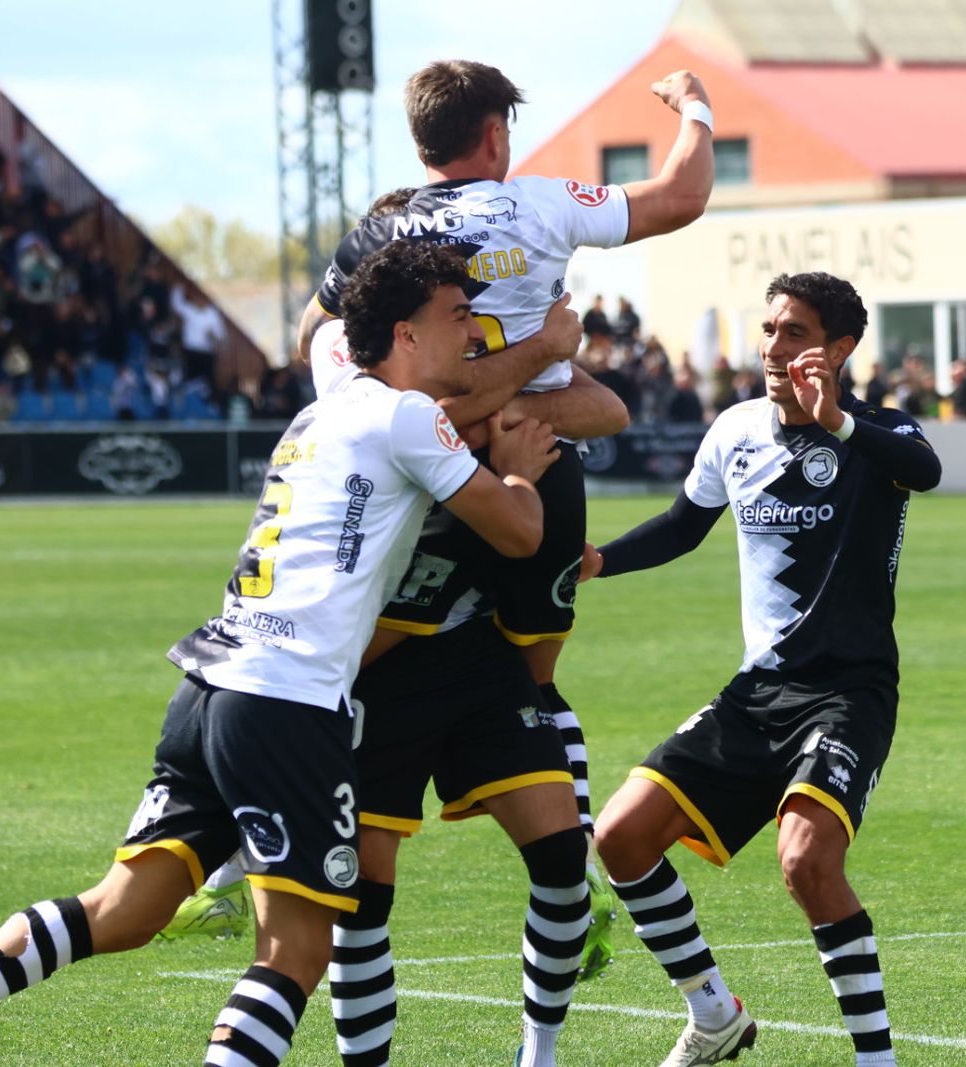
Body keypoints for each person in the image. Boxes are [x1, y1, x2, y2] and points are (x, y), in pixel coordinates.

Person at [0, 241, 561, 1067]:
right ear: (405, 333)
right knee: (297, 949)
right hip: (286, 702)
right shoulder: (406, 416)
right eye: (458, 315)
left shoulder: (320, 415)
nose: (473, 332)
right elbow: (519, 533)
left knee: (122, 909)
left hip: (211, 686)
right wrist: (516, 471)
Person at [292, 58, 716, 985]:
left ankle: (257, 837)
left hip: (428, 487)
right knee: (534, 676)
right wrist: (694, 108)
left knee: (343, 667)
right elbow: (682, 196)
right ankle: (573, 886)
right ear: (495, 134)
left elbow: (311, 335)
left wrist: (431, 399)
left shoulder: (381, 234)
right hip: (542, 474)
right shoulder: (539, 203)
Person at [584, 272, 941, 1067]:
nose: (773, 346)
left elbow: (926, 471)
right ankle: (713, 1012)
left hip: (847, 694)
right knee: (621, 836)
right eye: (770, 329)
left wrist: (837, 420)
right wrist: (600, 560)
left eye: (795, 332)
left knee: (807, 860)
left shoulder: (879, 432)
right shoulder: (736, 429)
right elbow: (683, 526)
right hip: (758, 692)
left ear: (839, 349)